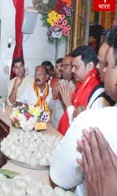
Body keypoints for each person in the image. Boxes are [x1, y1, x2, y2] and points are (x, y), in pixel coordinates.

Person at [50, 28, 117, 196]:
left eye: (106, 64)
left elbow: (59, 176)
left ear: (89, 66)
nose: (102, 69)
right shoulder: (80, 87)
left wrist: (69, 105)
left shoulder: (98, 104)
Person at [57, 46, 110, 135]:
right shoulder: (81, 85)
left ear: (89, 66)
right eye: (72, 66)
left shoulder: (99, 93)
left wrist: (68, 104)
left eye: (76, 67)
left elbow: (85, 131)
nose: (72, 70)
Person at [49, 55, 75, 129]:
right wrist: (54, 96)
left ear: (73, 67)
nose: (61, 69)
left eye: (65, 66)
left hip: (64, 129)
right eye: (61, 66)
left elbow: (71, 112)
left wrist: (61, 96)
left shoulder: (76, 86)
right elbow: (50, 107)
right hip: (53, 125)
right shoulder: (60, 83)